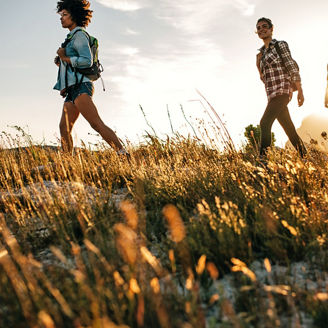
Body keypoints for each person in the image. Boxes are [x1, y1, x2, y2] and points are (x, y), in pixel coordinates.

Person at [54, 0, 128, 156]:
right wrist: (61, 61)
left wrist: (65, 58)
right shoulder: (70, 38)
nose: (61, 18)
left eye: (65, 14)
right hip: (72, 90)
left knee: (96, 123)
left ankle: (123, 154)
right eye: (61, 14)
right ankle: (67, 163)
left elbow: (86, 60)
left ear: (74, 16)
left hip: (82, 87)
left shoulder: (79, 35)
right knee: (64, 128)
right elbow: (74, 63)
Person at [256, 17, 306, 157]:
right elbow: (264, 79)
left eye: (265, 26)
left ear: (271, 29)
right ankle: (306, 157)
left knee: (264, 123)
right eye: (258, 28)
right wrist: (258, 65)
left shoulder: (280, 45)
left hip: (283, 91)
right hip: (271, 95)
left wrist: (300, 90)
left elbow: (290, 66)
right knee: (289, 129)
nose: (261, 29)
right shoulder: (262, 54)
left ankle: (263, 162)